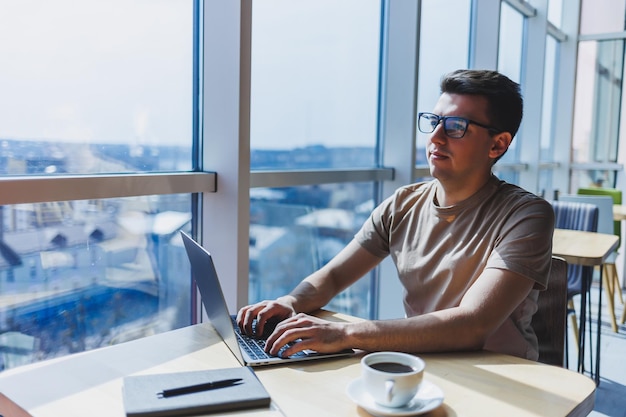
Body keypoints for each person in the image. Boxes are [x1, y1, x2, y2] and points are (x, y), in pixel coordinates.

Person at [237, 69, 555, 361]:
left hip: (501, 378)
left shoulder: (526, 215)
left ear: (497, 145)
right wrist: (291, 302)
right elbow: (333, 276)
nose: (435, 138)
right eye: (434, 121)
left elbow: (473, 324)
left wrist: (343, 334)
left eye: (456, 127)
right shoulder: (403, 204)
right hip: (419, 363)